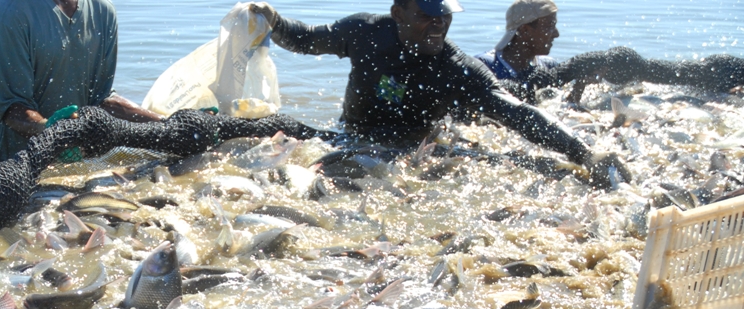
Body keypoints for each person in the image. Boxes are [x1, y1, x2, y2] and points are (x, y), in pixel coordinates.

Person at [248, 0, 628, 188]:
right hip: (350, 136)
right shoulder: (365, 33)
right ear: (398, 13)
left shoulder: (457, 67)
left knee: (506, 162)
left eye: (444, 16)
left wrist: (584, 153)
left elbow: (516, 112)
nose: (438, 25)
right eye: (426, 16)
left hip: (409, 153)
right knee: (271, 130)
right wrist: (273, 21)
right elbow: (306, 40)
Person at [0, 0, 162, 163]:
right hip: (7, 160)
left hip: (76, 159)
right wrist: (52, 131)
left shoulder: (103, 10)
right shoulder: (6, 15)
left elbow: (101, 100)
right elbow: (12, 109)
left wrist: (165, 125)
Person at [477, 0, 744, 104]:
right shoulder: (484, 66)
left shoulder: (548, 66)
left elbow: (558, 102)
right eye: (549, 27)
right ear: (524, 30)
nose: (556, 34)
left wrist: (578, 89)